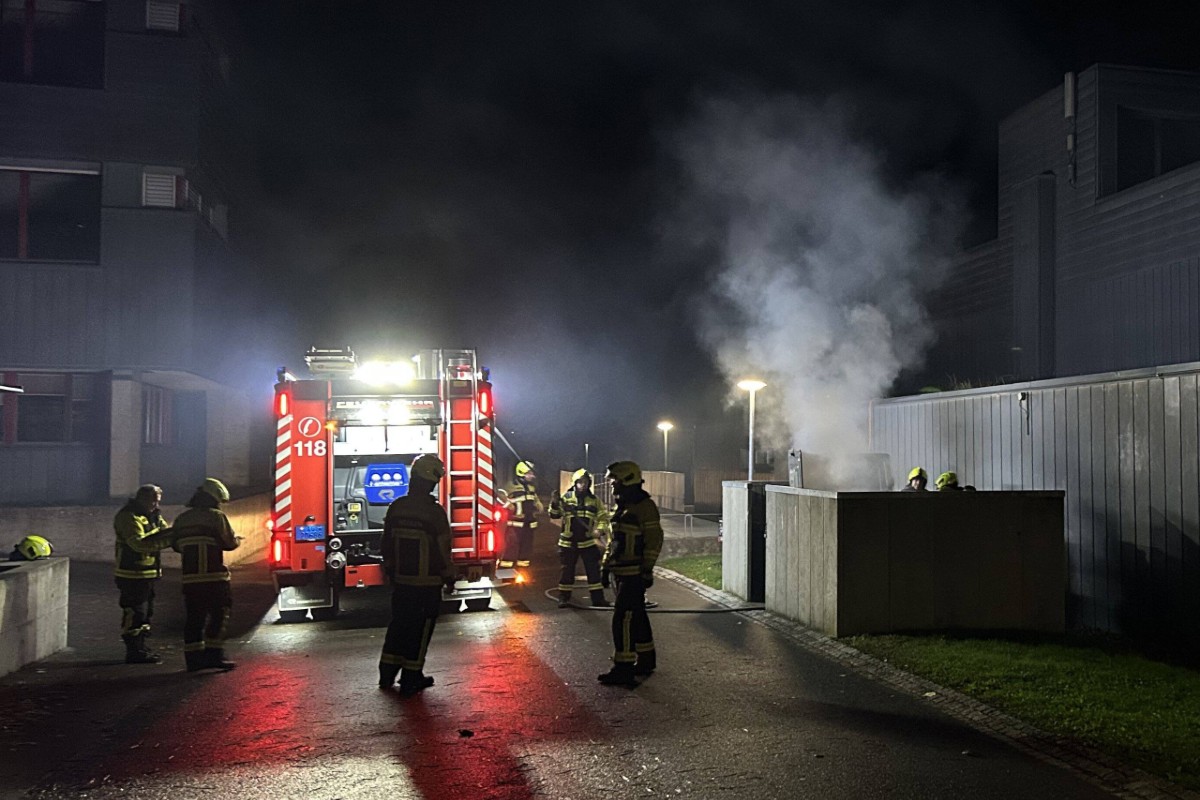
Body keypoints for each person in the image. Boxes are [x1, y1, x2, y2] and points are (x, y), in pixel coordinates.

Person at [145, 478, 242, 672]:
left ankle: (193, 659)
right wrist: (238, 540)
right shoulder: (216, 517)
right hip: (214, 578)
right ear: (214, 499)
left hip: (190, 579)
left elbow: (176, 545)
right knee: (220, 615)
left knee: (194, 618)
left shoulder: (182, 519)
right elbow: (229, 543)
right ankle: (214, 655)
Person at [378, 453, 455, 695]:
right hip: (427, 583)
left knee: (399, 624)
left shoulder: (397, 507)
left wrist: (390, 570)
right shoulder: (434, 512)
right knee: (420, 630)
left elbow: (385, 543)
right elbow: (443, 548)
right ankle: (411, 676)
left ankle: (387, 674)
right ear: (431, 481)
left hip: (401, 582)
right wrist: (449, 575)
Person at [597, 460, 663, 687]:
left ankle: (623, 668)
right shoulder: (623, 506)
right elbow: (614, 542)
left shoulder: (644, 507)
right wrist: (605, 566)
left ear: (627, 480)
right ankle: (646, 660)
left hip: (633, 573)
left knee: (623, 618)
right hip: (621, 572)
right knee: (637, 616)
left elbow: (654, 540)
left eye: (614, 480)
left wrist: (646, 570)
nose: (612, 484)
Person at [113, 484, 172, 664]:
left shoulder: (153, 515)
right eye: (153, 500)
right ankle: (133, 650)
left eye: (158, 501)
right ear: (142, 498)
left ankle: (140, 647)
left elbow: (164, 531)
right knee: (135, 612)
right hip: (131, 573)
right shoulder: (128, 516)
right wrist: (166, 539)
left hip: (147, 573)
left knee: (146, 613)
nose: (156, 505)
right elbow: (138, 544)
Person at [549, 468, 611, 608]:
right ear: (575, 483)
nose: (583, 485)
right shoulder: (566, 498)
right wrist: (554, 503)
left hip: (587, 542)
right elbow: (554, 515)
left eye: (585, 482)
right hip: (568, 543)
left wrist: (599, 530)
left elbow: (603, 518)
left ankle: (598, 599)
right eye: (580, 482)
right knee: (567, 572)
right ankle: (563, 598)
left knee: (594, 572)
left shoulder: (595, 501)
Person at [497, 460, 543, 575]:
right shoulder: (510, 486)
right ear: (521, 473)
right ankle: (505, 571)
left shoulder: (531, 488)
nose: (532, 476)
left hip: (528, 524)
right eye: (529, 473)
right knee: (511, 548)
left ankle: (523, 571)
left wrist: (538, 504)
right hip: (515, 524)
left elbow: (534, 500)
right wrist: (508, 505)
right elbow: (499, 496)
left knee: (526, 549)